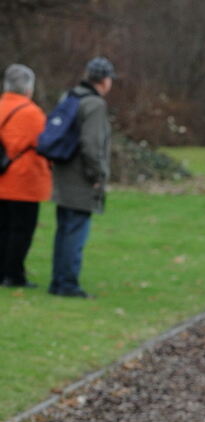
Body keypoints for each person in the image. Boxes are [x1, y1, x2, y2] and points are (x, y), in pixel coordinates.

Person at [49, 56, 114, 298]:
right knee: (76, 231)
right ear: (104, 81)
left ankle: (58, 281)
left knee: (64, 229)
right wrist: (98, 174)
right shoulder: (95, 104)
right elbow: (91, 143)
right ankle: (67, 284)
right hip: (81, 176)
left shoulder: (70, 96)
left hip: (63, 172)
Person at [0, 64, 51, 288]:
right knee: (21, 231)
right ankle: (13, 274)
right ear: (29, 88)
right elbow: (45, 144)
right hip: (23, 181)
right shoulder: (32, 113)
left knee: (2, 229)